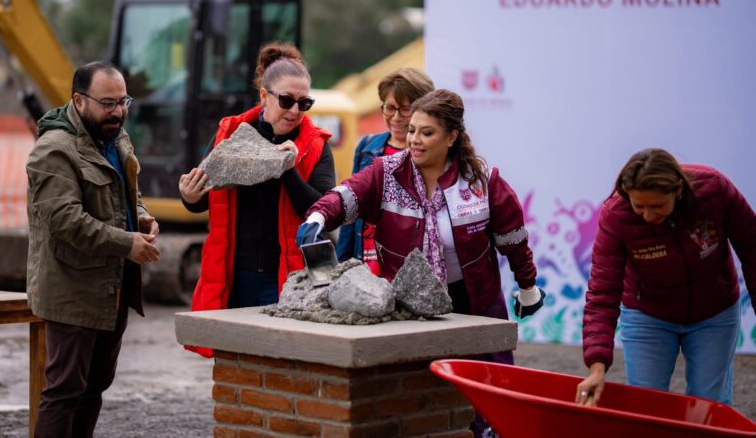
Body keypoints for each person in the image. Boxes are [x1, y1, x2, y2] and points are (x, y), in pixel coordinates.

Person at [297, 89, 544, 438]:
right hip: (410, 307)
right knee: (421, 397)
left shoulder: (482, 181)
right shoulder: (385, 173)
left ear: (452, 136)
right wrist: (317, 220)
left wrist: (527, 286)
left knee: (489, 399)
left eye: (426, 132)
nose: (413, 139)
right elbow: (344, 196)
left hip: (475, 302)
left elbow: (513, 241)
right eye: (412, 130)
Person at [26, 61, 161, 437]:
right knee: (65, 391)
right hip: (72, 289)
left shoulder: (115, 138)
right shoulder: (53, 150)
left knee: (94, 387)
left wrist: (144, 218)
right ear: (79, 101)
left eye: (123, 101)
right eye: (108, 103)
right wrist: (127, 243)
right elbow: (65, 220)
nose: (118, 111)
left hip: (111, 288)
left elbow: (124, 196)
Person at [179, 42, 335, 355]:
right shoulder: (231, 133)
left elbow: (320, 211)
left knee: (284, 363)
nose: (294, 111)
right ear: (264, 96)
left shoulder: (316, 145)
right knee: (233, 363)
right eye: (287, 100)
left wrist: (287, 169)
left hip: (291, 277)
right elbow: (205, 196)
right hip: (236, 276)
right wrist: (189, 197)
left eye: (304, 103)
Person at [578, 148, 756, 408]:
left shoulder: (713, 189)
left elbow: (752, 247)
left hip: (714, 312)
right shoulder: (616, 215)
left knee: (709, 404)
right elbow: (602, 293)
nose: (648, 215)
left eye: (657, 206)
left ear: (679, 190)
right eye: (639, 206)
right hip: (647, 315)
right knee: (647, 405)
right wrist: (596, 368)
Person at [337, 67, 435, 273]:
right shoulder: (367, 147)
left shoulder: (431, 153)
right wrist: (342, 265)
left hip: (410, 266)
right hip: (365, 262)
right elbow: (350, 211)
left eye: (405, 109)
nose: (396, 117)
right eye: (390, 108)